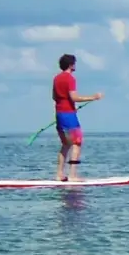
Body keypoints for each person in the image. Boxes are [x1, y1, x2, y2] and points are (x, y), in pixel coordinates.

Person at [52, 54, 103, 182]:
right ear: (71, 65)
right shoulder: (70, 79)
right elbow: (74, 97)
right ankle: (73, 175)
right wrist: (93, 97)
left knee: (65, 144)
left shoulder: (56, 78)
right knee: (77, 142)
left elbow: (54, 96)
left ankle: (59, 175)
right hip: (68, 115)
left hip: (59, 114)